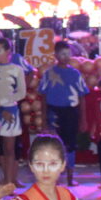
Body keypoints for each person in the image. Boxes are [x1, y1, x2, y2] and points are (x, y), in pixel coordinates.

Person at [40, 42, 86, 185]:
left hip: (71, 112)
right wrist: (43, 118)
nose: (66, 57)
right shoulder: (49, 73)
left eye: (68, 53)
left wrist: (84, 119)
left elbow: (82, 96)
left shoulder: (75, 73)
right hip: (54, 111)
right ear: (56, 55)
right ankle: (54, 177)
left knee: (70, 145)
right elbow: (43, 96)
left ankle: (70, 177)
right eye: (62, 54)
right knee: (54, 146)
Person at [0, 37, 28, 185]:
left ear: (8, 52)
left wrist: (4, 102)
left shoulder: (17, 70)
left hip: (11, 112)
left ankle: (9, 181)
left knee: (9, 149)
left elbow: (21, 93)